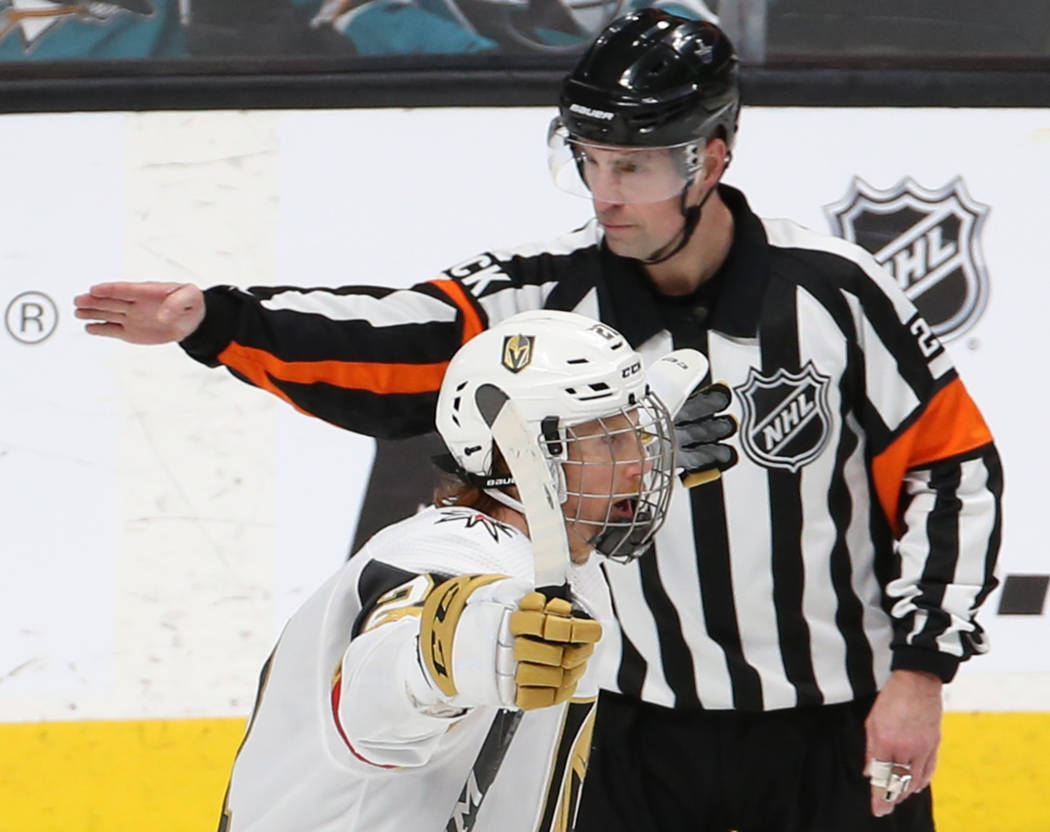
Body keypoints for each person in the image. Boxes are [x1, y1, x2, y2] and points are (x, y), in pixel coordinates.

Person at [75, 9, 1003, 831]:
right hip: (627, 719)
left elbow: (954, 469)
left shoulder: (838, 292)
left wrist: (922, 673)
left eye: (631, 165)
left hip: (833, 721)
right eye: (590, 161)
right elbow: (393, 344)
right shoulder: (540, 295)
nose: (604, 193)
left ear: (711, 156)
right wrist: (221, 322)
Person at [217, 309, 685, 831]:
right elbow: (372, 699)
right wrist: (456, 650)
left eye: (637, 435)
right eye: (611, 440)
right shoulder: (445, 556)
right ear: (521, 453)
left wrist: (622, 456)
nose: (642, 464)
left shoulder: (552, 555)